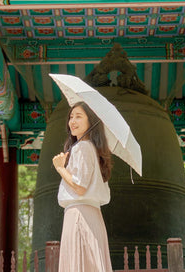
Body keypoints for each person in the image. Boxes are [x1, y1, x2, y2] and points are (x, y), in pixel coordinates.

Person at [52, 101, 113, 272]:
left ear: (91, 121)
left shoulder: (83, 147)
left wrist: (60, 168)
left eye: (79, 116)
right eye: (71, 117)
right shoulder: (93, 149)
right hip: (92, 215)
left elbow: (80, 187)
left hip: (79, 214)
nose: (72, 121)